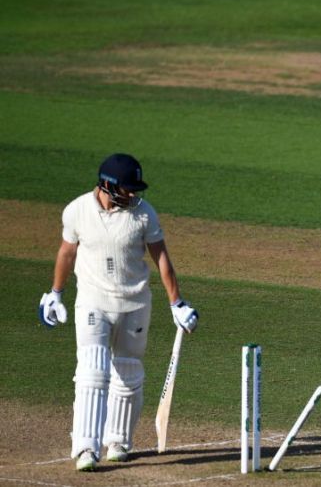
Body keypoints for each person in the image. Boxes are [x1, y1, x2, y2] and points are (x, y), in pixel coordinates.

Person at [37, 153, 199, 471]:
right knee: (92, 371)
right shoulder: (78, 211)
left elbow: (161, 258)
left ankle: (118, 441)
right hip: (93, 302)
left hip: (135, 304)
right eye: (127, 189)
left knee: (127, 373)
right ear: (108, 185)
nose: (133, 195)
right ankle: (85, 447)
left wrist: (176, 303)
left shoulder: (143, 215)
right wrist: (55, 294)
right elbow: (67, 252)